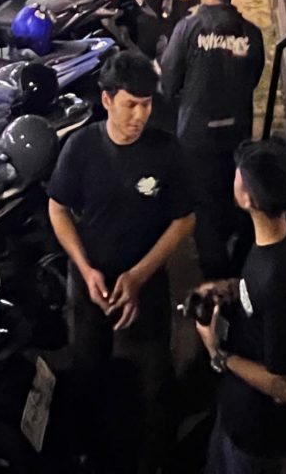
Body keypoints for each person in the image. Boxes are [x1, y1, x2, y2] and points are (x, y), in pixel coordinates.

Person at [48, 50, 195, 474]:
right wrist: (85, 268)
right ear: (107, 99)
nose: (140, 116)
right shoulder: (81, 147)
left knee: (154, 381)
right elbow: (58, 209)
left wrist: (138, 276)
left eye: (147, 104)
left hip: (146, 288)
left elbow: (184, 220)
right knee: (87, 372)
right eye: (131, 104)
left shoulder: (166, 151)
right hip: (90, 286)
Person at [189, 140, 286, 474]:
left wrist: (218, 352)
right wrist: (230, 288)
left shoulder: (273, 277)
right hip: (239, 412)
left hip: (258, 434)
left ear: (249, 198)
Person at [161, 0, 265, 280]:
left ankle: (216, 280)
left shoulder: (188, 29)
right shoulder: (251, 34)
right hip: (237, 134)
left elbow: (168, 82)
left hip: (197, 138)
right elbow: (253, 77)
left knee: (205, 211)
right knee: (236, 199)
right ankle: (238, 269)